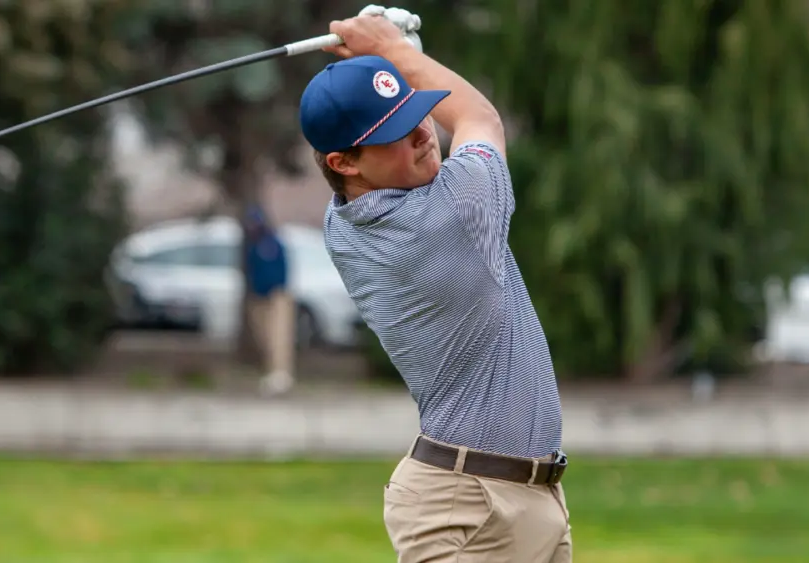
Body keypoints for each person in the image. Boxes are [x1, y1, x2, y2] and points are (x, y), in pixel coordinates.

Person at [298, 13, 572, 563]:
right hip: (466, 510)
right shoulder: (454, 213)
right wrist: (397, 49)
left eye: (417, 115)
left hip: (527, 500)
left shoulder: (343, 220)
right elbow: (479, 117)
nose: (425, 135)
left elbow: (437, 129)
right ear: (343, 162)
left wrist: (393, 65)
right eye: (398, 135)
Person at [242, 205, 296, 396]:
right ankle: (271, 372)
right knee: (264, 336)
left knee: (278, 337)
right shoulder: (253, 245)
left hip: (276, 297)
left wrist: (276, 292)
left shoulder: (271, 243)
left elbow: (280, 271)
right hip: (260, 298)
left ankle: (282, 375)